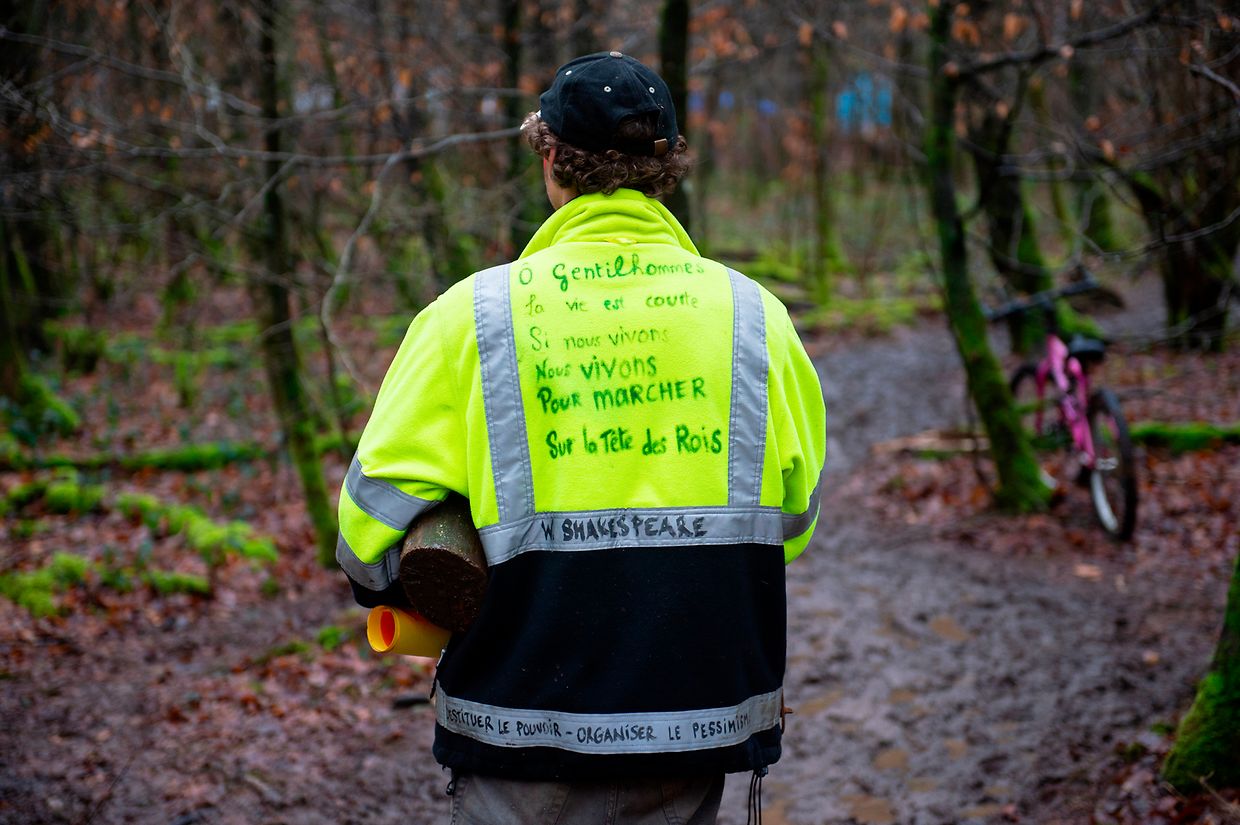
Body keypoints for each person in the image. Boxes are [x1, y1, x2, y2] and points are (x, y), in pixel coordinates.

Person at [336, 51, 826, 824]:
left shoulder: (472, 317)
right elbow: (788, 520)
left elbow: (366, 537)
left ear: (552, 157)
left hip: (520, 735)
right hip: (694, 728)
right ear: (666, 167)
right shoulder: (755, 317)